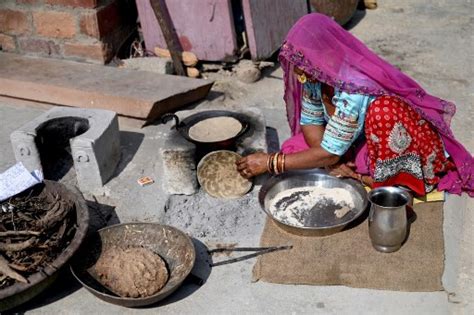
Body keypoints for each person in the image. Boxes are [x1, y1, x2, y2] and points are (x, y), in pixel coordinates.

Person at [236, 13, 473, 197]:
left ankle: (396, 180)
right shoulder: (313, 75)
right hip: (360, 137)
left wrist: (271, 163)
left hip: (398, 141)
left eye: (302, 59)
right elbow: (310, 121)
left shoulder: (353, 87)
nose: (297, 68)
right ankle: (343, 162)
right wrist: (332, 160)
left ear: (322, 56)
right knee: (296, 148)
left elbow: (326, 151)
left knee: (380, 115)